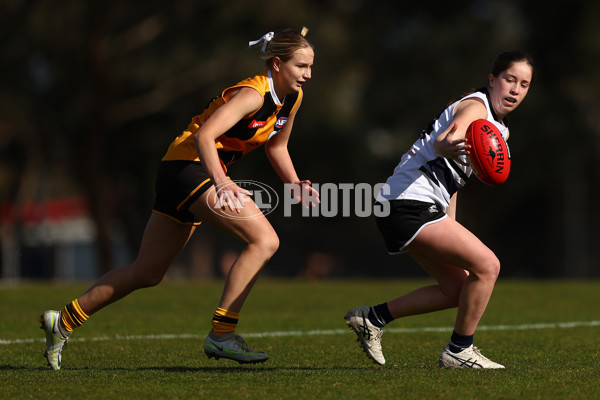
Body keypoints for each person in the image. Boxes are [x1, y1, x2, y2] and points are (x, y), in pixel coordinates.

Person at [40, 27, 319, 370]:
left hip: (184, 172)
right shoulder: (253, 94)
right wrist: (221, 182)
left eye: (310, 67)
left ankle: (63, 321)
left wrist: (293, 183)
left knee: (147, 272)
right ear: (277, 64)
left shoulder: (292, 98)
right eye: (301, 66)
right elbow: (205, 136)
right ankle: (222, 334)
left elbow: (277, 145)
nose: (307, 74)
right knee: (265, 240)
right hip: (189, 167)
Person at [344, 51, 534, 369]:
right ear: (492, 80)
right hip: (408, 202)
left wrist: (450, 224)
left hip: (408, 203)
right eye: (509, 79)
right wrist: (446, 144)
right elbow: (451, 137)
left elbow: (453, 179)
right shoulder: (476, 107)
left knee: (457, 288)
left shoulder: (499, 130)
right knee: (489, 266)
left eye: (524, 84)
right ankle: (459, 350)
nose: (515, 89)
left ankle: (372, 318)